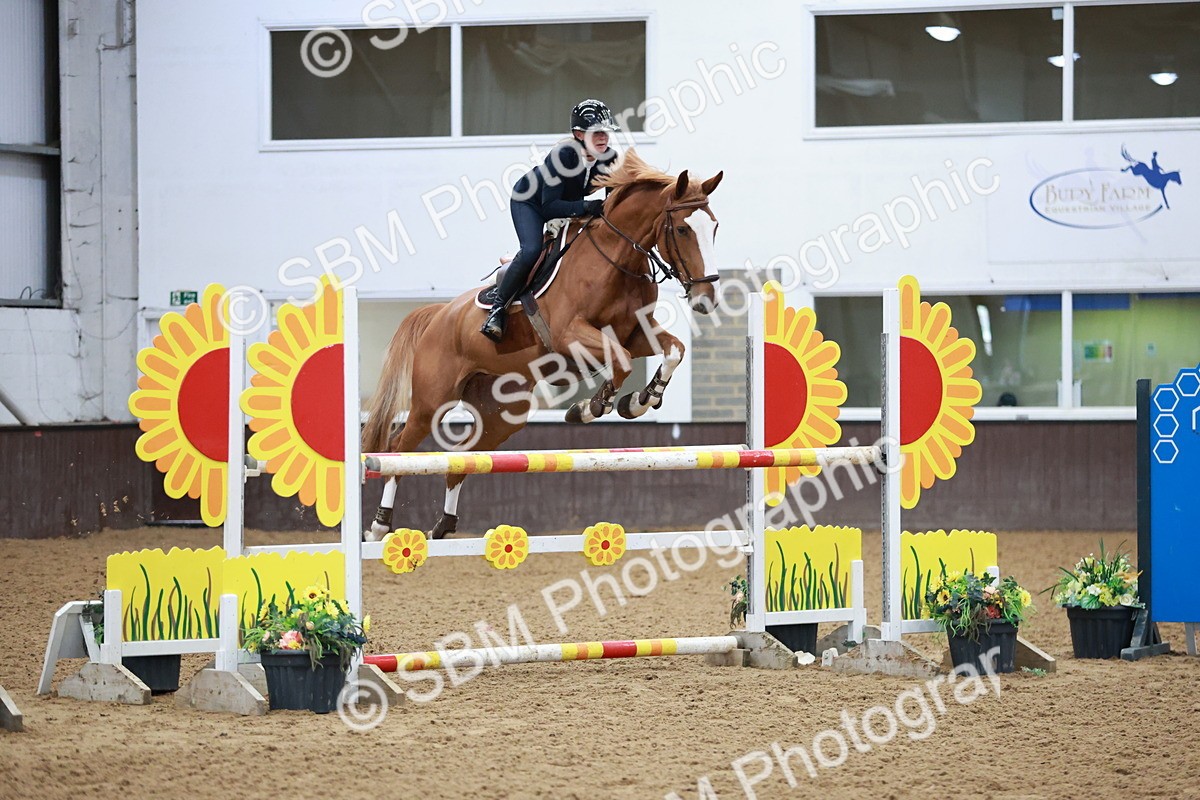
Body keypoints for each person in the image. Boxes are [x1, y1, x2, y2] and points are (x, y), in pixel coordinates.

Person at [480, 98, 621, 342]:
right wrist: (587, 206)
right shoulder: (563, 156)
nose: (603, 138)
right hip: (531, 202)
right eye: (596, 133)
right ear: (579, 134)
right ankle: (497, 310)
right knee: (532, 250)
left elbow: (613, 202)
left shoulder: (610, 158)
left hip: (567, 204)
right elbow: (550, 207)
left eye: (606, 132)